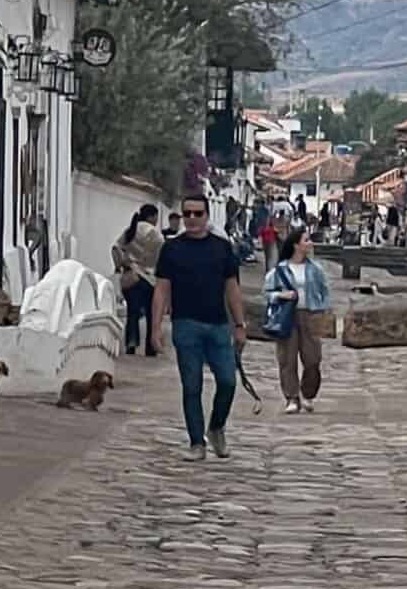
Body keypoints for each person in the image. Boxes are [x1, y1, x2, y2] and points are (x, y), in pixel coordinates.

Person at [153, 196, 246, 460]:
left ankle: (216, 427)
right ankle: (197, 442)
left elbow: (232, 289)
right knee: (191, 386)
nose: (192, 219)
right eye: (187, 214)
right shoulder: (172, 250)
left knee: (228, 381)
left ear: (207, 216)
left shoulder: (222, 248)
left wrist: (240, 325)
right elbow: (161, 289)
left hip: (218, 324)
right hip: (185, 324)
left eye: (198, 213)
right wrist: (155, 327)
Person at [266, 223, 334, 414]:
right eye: (306, 240)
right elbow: (268, 293)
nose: (310, 243)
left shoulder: (315, 269)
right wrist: (281, 295)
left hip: (310, 314)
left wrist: (324, 309)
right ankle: (292, 397)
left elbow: (324, 290)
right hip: (287, 315)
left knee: (313, 357)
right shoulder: (280, 270)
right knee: (287, 358)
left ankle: (308, 394)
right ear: (296, 245)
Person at [113, 203, 165, 359]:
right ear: (151, 216)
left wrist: (120, 265)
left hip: (131, 277)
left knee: (132, 313)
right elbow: (162, 257)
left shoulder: (130, 230)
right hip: (149, 279)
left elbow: (115, 248)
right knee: (151, 313)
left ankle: (131, 342)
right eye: (156, 216)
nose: (156, 220)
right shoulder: (156, 235)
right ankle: (150, 347)